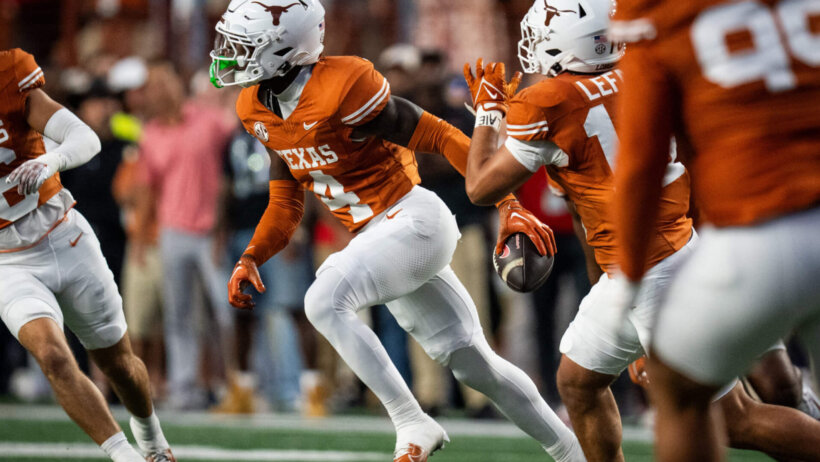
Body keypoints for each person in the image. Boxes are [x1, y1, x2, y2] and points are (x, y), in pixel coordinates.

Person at [210, 1, 584, 461]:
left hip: (413, 218)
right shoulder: (254, 106)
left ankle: (411, 420)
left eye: (245, 46)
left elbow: (440, 135)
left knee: (323, 299)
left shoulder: (343, 84)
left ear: (287, 47)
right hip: (376, 238)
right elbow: (287, 200)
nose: (230, 55)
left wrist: (506, 202)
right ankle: (572, 452)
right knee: (474, 365)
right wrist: (251, 256)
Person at [460, 0, 820, 460]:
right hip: (675, 245)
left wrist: (487, 113)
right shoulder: (639, 69)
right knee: (578, 381)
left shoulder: (549, 102)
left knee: (733, 418)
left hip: (654, 265)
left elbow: (479, 188)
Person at [608, 0, 820, 460]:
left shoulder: (660, 14)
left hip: (767, 226)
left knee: (677, 383)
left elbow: (641, 163)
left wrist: (629, 277)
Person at [0, 48, 174, 462]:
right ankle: (124, 456)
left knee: (119, 364)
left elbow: (85, 137)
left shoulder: (8, 75)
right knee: (53, 355)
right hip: (7, 260)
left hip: (62, 233)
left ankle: (151, 439)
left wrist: (51, 160)